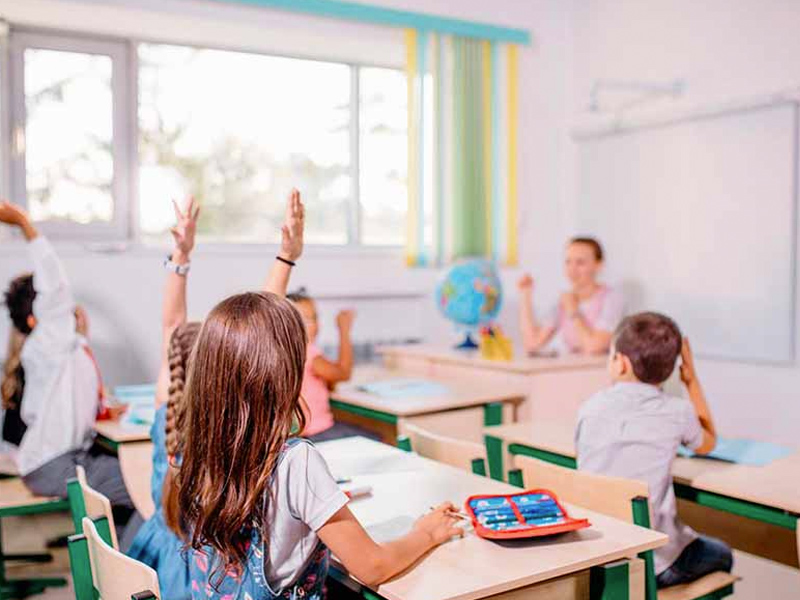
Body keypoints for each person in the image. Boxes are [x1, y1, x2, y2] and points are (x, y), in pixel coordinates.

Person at [177, 291, 464, 597]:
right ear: (283, 370)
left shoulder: (196, 450)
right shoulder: (295, 462)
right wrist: (426, 533)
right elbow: (371, 566)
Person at [127, 190, 306, 598]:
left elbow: (172, 323)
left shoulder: (167, 407)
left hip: (157, 559)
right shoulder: (228, 434)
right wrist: (286, 257)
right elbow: (261, 331)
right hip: (203, 580)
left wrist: (180, 256)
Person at [0, 201, 135, 525]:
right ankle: (128, 567)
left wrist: (104, 410)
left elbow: (69, 401)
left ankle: (120, 558)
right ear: (38, 319)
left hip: (52, 460)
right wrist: (24, 223)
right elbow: (55, 285)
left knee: (133, 480)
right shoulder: (47, 343)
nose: (68, 308)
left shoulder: (59, 350)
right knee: (144, 482)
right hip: (54, 464)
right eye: (56, 309)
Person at [575, 312, 733, 588]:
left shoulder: (590, 407)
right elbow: (708, 442)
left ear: (620, 363)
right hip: (652, 564)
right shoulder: (678, 411)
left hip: (597, 554)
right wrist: (691, 380)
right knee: (722, 552)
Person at [287, 290, 372, 442]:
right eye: (307, 320)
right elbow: (344, 373)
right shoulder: (308, 353)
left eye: (315, 318)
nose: (316, 325)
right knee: (380, 439)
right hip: (317, 432)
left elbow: (329, 382)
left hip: (301, 433)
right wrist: (344, 330)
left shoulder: (288, 352)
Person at [518, 237, 624, 355]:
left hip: (600, 369)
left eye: (580, 262)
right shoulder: (563, 301)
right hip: (573, 368)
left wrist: (573, 311)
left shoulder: (611, 298)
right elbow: (532, 343)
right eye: (568, 261)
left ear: (598, 265)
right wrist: (525, 295)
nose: (572, 269)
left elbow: (594, 347)